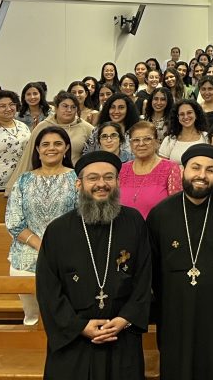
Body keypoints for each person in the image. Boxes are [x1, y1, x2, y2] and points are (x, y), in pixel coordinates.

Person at [36, 151, 152, 380]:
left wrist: (125, 318)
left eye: (109, 177)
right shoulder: (58, 230)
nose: (102, 184)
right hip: (73, 339)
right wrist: (78, 326)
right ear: (79, 183)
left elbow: (144, 276)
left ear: (118, 182)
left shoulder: (134, 222)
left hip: (121, 336)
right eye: (93, 178)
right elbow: (48, 288)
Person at [147, 143, 213, 380]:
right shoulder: (161, 214)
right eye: (196, 168)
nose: (202, 176)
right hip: (175, 309)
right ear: (183, 170)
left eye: (210, 170)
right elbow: (152, 265)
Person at [5, 125, 78, 325]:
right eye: (45, 144)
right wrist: (41, 245)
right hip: (26, 256)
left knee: (64, 317)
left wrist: (56, 247)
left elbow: (82, 218)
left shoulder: (77, 179)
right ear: (37, 149)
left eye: (57, 144)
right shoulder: (24, 180)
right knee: (33, 318)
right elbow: (14, 222)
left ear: (66, 148)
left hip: (68, 256)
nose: (51, 148)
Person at [6, 92, 92, 194]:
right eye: (65, 106)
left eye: (73, 107)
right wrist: (14, 187)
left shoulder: (86, 128)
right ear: (56, 108)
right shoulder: (43, 126)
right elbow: (28, 156)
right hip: (43, 180)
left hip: (74, 180)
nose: (69, 110)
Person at [118, 121, 181, 219]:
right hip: (125, 231)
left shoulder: (170, 168)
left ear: (157, 142)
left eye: (147, 139)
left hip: (158, 231)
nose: (141, 144)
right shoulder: (121, 170)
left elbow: (177, 208)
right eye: (136, 140)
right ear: (130, 144)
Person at [157, 98, 209, 164]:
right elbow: (162, 168)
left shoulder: (206, 137)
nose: (186, 117)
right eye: (182, 114)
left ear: (196, 115)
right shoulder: (169, 140)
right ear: (177, 117)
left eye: (189, 113)